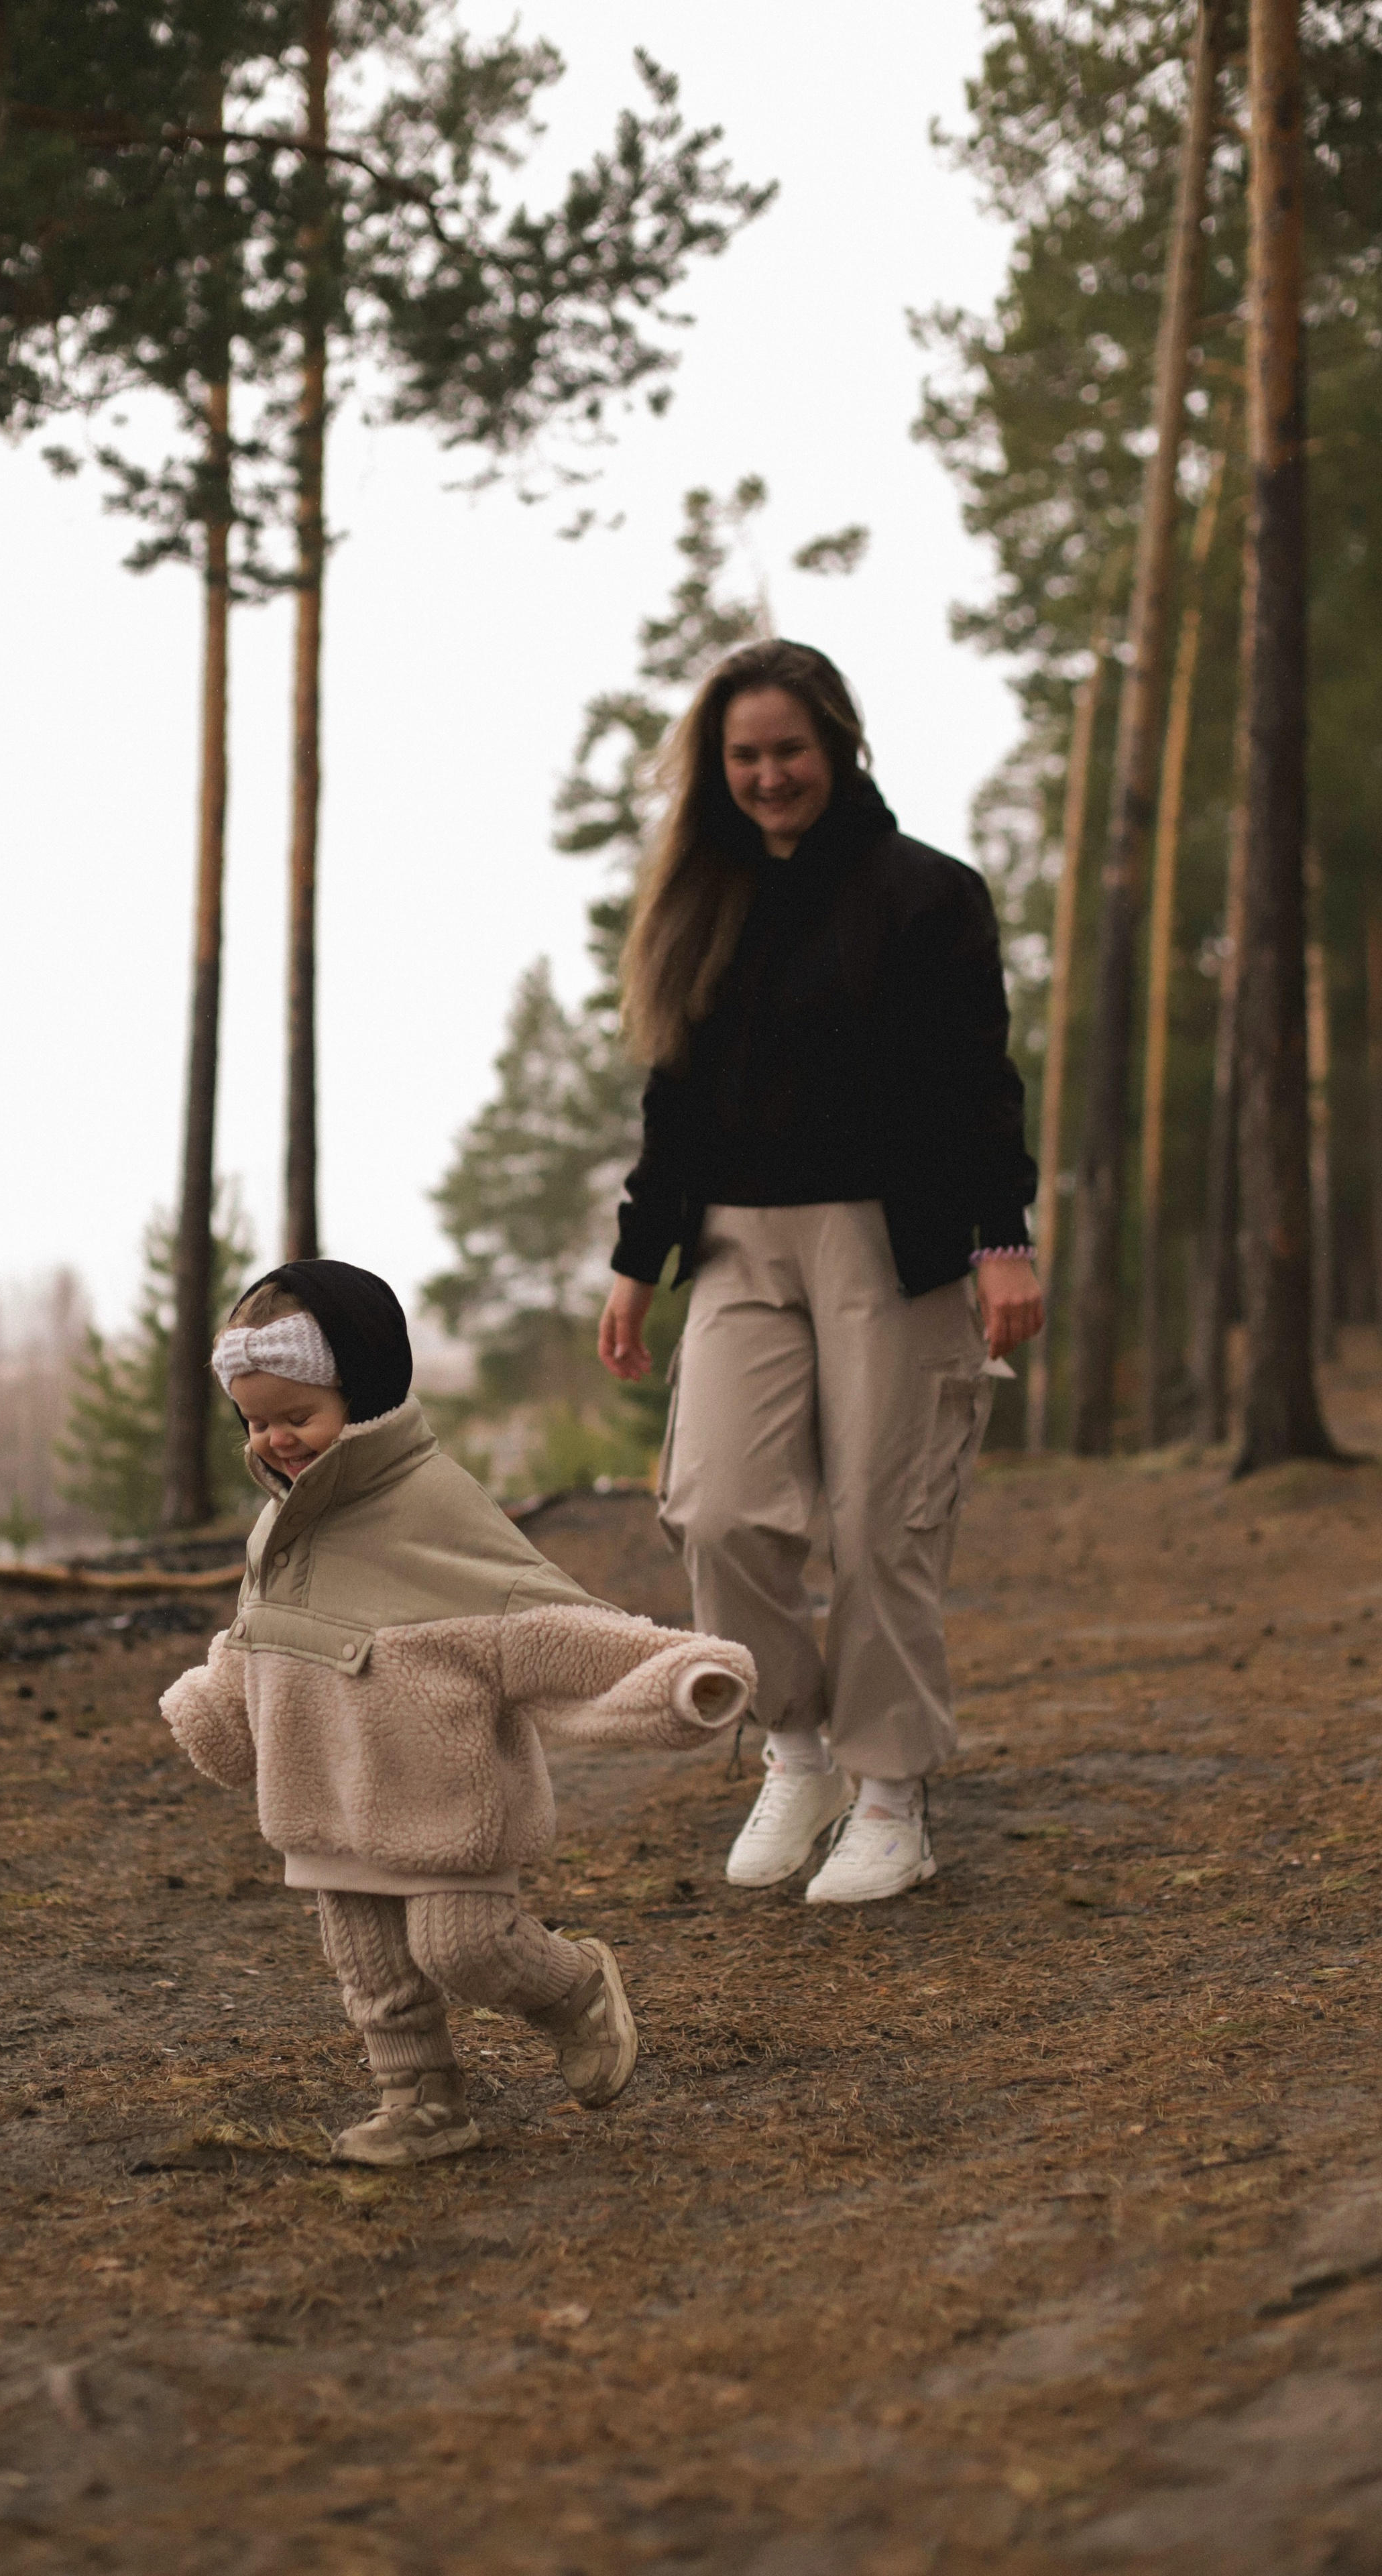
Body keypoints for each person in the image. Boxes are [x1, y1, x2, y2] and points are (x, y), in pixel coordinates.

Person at [597, 640, 1042, 1907]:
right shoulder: (702, 903)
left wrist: (1001, 1240)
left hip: (893, 1243)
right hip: (738, 1239)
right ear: (716, 767)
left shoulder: (929, 895)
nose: (768, 775)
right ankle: (795, 1744)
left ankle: (893, 1796)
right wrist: (638, 1265)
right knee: (720, 1506)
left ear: (838, 744)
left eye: (788, 749)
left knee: (879, 1525)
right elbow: (671, 1104)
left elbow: (978, 1085)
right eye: (743, 755)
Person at [161, 1258, 755, 2167]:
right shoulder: (278, 1527)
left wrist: (678, 1671)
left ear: (361, 1390)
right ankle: (422, 2101)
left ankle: (576, 1988)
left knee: (464, 1945)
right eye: (255, 1418)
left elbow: (545, 1621)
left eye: (296, 1414)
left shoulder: (431, 1504)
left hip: (441, 1793)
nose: (274, 1438)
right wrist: (213, 1705)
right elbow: (258, 1637)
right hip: (328, 1794)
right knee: (370, 1965)